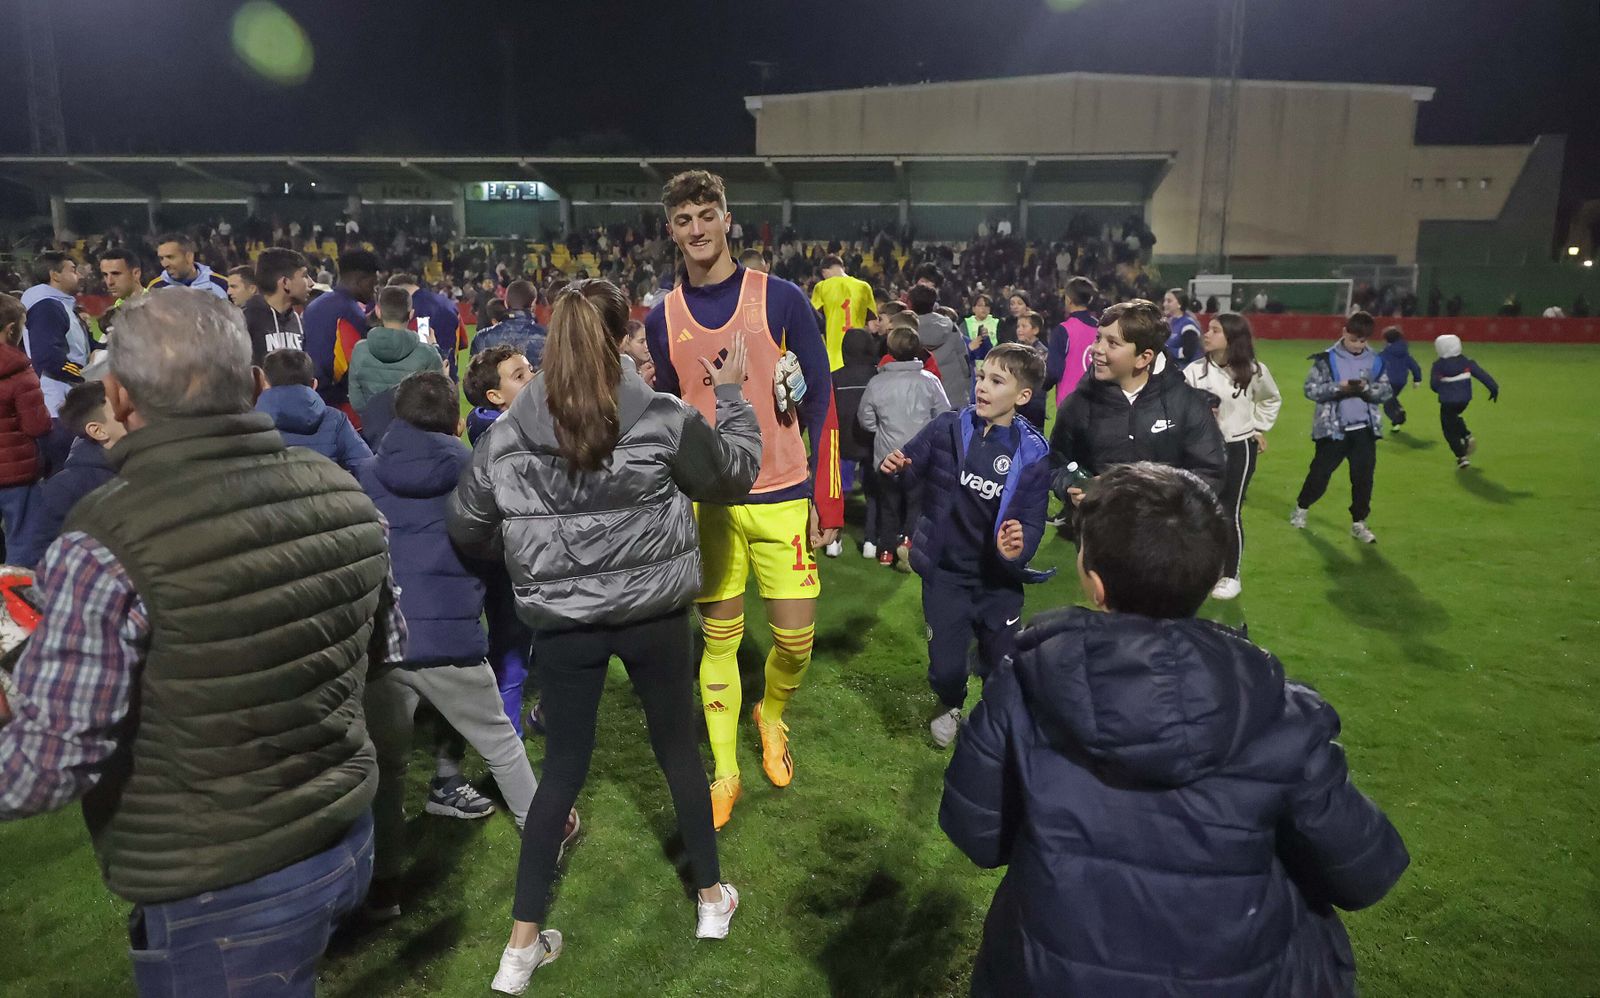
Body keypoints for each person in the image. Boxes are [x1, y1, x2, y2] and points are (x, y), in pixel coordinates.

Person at [0, 288, 406, 996]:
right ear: (254, 382)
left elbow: (44, 766)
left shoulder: (104, 543)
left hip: (223, 885)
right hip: (341, 839)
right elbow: (384, 655)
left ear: (118, 398)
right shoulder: (348, 499)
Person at [940, 461, 1409, 998]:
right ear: (1210, 581)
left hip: (1052, 976)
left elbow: (978, 834)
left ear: (1094, 583)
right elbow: (1364, 871)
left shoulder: (1022, 686)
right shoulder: (1281, 712)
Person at [450, 287, 760, 993]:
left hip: (566, 625)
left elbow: (468, 524)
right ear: (622, 337)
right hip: (652, 616)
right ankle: (711, 901)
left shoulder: (508, 433)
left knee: (561, 770)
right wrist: (733, 396)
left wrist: (535, 556)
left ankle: (518, 951)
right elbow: (733, 476)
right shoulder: (661, 416)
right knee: (677, 752)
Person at [643, 171, 841, 828]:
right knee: (719, 640)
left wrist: (827, 497)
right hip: (709, 501)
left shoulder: (780, 298)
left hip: (782, 492)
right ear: (671, 231)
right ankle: (725, 771)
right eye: (683, 220)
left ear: (727, 219)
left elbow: (821, 398)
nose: (697, 229)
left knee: (796, 640)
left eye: (707, 215)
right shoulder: (662, 318)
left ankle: (771, 714)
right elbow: (670, 411)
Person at [358, 371, 556, 919]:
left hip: (383, 640)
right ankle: (545, 841)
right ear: (455, 419)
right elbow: (499, 555)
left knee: (387, 768)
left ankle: (383, 888)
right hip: (450, 638)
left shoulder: (365, 473)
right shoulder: (475, 474)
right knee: (501, 745)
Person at [880, 342, 1053, 747]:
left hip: (997, 582)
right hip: (946, 576)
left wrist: (1019, 547)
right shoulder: (947, 428)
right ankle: (951, 701)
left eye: (997, 381)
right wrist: (896, 469)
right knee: (945, 668)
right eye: (981, 377)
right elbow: (909, 470)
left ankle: (994, 722)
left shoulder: (1031, 452)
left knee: (1002, 664)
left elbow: (1031, 521)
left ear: (1023, 396)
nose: (982, 387)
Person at [1050, 300, 1226, 507]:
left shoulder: (1187, 404)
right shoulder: (1078, 403)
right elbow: (1056, 463)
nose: (1096, 348)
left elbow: (1209, 473)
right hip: (1098, 526)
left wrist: (1149, 498)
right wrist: (1072, 486)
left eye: (1112, 343)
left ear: (1143, 358)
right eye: (1098, 338)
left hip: (1166, 525)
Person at [1183, 313, 1281, 600]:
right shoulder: (1194, 371)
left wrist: (1257, 427)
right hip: (1201, 450)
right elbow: (1179, 406)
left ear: (1232, 338)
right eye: (1208, 329)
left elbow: (1271, 399)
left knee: (1229, 509)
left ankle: (1230, 575)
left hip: (1239, 447)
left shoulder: (1253, 370)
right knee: (1197, 509)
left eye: (1215, 330)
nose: (1206, 334)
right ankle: (1200, 569)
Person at [1289, 311, 1392, 542]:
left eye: (1363, 341)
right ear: (1344, 332)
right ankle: (1301, 508)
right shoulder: (1326, 360)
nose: (1358, 345)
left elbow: (1386, 392)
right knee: (1319, 475)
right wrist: (1339, 387)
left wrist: (1366, 389)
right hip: (1333, 431)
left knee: (1363, 480)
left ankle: (1359, 523)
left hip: (1364, 431)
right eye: (1354, 339)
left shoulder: (1376, 361)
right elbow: (1310, 390)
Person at [860, 326, 952, 570]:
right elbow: (944, 415)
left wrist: (883, 430)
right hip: (920, 455)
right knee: (916, 503)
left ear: (890, 349)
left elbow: (865, 419)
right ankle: (909, 542)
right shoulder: (930, 381)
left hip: (886, 454)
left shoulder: (877, 382)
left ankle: (886, 551)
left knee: (888, 505)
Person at [6, 380, 121, 569]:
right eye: (123, 411)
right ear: (97, 430)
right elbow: (39, 555)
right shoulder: (65, 490)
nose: (138, 414)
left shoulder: (146, 458)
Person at [256, 348, 373, 473]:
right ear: (314, 384)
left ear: (264, 385)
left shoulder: (251, 423)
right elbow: (366, 467)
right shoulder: (336, 419)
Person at [0, 292, 52, 553]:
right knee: (23, 542)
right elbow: (36, 426)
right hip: (16, 475)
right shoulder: (20, 371)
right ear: (12, 329)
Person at [348, 285, 447, 415]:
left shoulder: (360, 350)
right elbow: (438, 400)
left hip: (373, 425)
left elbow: (357, 402)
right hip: (413, 425)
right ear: (411, 314)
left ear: (378, 311)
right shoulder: (428, 354)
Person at [301, 249, 379, 410]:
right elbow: (354, 367)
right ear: (360, 280)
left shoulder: (315, 305)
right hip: (337, 402)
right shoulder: (351, 313)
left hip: (310, 395)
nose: (374, 290)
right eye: (373, 284)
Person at [828, 327, 880, 558]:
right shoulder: (878, 376)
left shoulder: (835, 378)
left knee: (838, 492)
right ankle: (871, 542)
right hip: (872, 443)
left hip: (842, 444)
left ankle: (833, 539)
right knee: (873, 492)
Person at [20, 250, 89, 416]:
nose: (79, 276)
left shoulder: (58, 304)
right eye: (73, 270)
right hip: (59, 402)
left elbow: (75, 345)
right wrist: (84, 375)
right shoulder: (46, 306)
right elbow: (48, 357)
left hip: (69, 398)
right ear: (55, 275)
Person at [1429, 333, 1500, 470]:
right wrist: (1494, 389)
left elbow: (1434, 385)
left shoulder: (1439, 365)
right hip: (1464, 400)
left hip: (1448, 401)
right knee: (1454, 417)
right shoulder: (1467, 362)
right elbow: (1482, 375)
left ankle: (1461, 456)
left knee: (1448, 429)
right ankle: (1466, 434)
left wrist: (1441, 389)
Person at [241, 247, 311, 364]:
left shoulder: (298, 322)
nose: (311, 283)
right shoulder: (244, 321)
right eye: (305, 276)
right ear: (285, 283)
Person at [388, 273, 465, 375]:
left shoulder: (406, 309)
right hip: (449, 377)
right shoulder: (449, 304)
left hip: (419, 380)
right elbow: (463, 342)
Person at [811, 254, 876, 371]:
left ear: (824, 271)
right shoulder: (864, 287)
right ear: (843, 268)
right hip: (860, 354)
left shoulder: (821, 287)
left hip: (834, 357)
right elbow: (873, 327)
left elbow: (813, 321)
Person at [910, 284, 968, 408]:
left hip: (922, 399)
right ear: (933, 303)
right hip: (954, 396)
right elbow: (964, 359)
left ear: (911, 304)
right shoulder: (950, 327)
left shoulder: (908, 331)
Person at [463, 345, 534, 447]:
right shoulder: (510, 443)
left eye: (531, 370)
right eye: (519, 376)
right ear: (495, 396)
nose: (533, 376)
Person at [1048, 276, 1098, 409]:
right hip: (1095, 402)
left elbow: (1054, 372)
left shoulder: (1063, 330)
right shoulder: (1101, 329)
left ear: (1068, 299)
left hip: (1068, 404)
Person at [472, 279, 548, 365]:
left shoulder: (482, 337)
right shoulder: (547, 336)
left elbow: (473, 372)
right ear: (533, 305)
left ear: (505, 303)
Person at [146, 233, 230, 300]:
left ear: (189, 257)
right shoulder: (155, 288)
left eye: (170, 257)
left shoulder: (222, 284)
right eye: (161, 258)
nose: (165, 264)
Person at [1378, 326, 1424, 431]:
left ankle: (1398, 416)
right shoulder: (1405, 353)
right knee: (1391, 398)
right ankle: (1398, 418)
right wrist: (1417, 379)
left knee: (1387, 402)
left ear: (1386, 340)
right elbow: (1414, 366)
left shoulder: (1384, 353)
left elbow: (1376, 366)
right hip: (1401, 382)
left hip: (1387, 381)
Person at [97, 247, 146, 340]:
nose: (109, 282)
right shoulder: (116, 309)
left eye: (116, 274)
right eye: (105, 275)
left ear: (136, 274)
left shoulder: (155, 306)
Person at [1012, 310, 1049, 429]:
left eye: (1024, 326)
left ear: (1035, 330)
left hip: (1034, 401)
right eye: (1018, 326)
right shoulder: (1014, 349)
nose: (1019, 329)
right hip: (1016, 398)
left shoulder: (1042, 352)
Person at [1162, 287, 1203, 366]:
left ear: (1179, 304)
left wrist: (1166, 351)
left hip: (1188, 369)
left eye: (1169, 301)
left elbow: (1188, 353)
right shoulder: (1169, 322)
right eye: (1164, 301)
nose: (1164, 304)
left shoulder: (1188, 324)